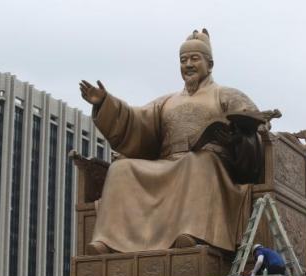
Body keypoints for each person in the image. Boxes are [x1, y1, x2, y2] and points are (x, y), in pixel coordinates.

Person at [79, 29, 263, 254]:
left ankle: (193, 234)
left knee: (197, 162)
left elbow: (255, 126)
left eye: (195, 59)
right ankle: (108, 241)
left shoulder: (227, 95)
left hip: (212, 166)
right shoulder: (167, 101)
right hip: (167, 163)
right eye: (183, 60)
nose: (188, 65)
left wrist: (237, 139)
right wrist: (105, 103)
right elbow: (137, 121)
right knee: (121, 169)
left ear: (210, 64)